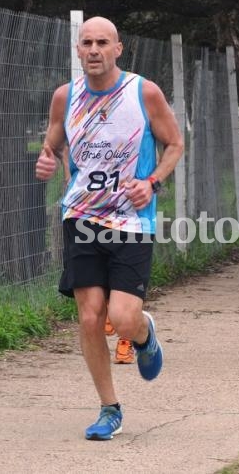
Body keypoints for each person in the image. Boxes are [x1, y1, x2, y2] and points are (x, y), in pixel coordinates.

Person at [35, 16, 183, 440]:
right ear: (78, 50)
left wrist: (152, 182)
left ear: (118, 48)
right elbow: (53, 145)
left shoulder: (144, 92)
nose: (95, 50)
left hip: (131, 220)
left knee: (121, 318)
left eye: (103, 42)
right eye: (87, 43)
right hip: (81, 217)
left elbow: (174, 144)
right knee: (88, 318)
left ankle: (144, 333)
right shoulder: (65, 97)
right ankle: (109, 408)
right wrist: (47, 161)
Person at [62, 150, 135, 365]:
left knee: (126, 281)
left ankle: (126, 339)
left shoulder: (139, 120)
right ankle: (109, 308)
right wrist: (68, 175)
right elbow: (66, 145)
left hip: (126, 213)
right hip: (86, 210)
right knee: (95, 275)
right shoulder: (78, 118)